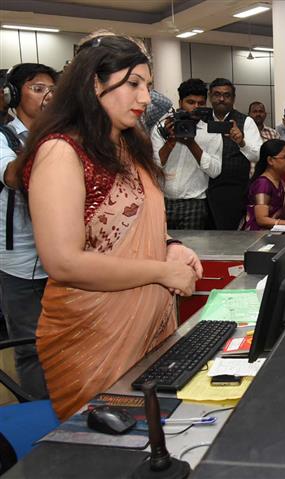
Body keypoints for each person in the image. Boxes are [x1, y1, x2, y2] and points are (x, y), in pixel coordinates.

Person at [17, 34, 201, 420]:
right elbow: (64, 262)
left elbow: (127, 222)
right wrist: (163, 271)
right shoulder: (61, 151)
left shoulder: (131, 144)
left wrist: (171, 246)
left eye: (148, 86)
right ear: (94, 83)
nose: (146, 98)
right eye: (133, 83)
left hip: (152, 328)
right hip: (93, 336)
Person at [0, 63, 57, 400]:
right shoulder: (4, 137)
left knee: (64, 341)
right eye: (37, 88)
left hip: (61, 257)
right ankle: (43, 421)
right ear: (12, 95)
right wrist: (43, 135)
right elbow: (13, 177)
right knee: (31, 347)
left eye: (52, 90)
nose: (47, 96)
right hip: (19, 261)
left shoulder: (60, 135)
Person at [151, 78, 222, 229]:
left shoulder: (211, 133)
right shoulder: (163, 128)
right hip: (163, 200)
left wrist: (191, 143)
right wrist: (171, 141)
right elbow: (154, 166)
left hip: (194, 203)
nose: (196, 108)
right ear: (180, 102)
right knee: (162, 248)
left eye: (201, 103)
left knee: (193, 249)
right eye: (190, 102)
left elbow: (215, 171)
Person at [206, 78, 262, 230]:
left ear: (233, 98)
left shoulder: (246, 122)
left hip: (232, 192)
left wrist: (242, 142)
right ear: (210, 96)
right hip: (202, 191)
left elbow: (258, 155)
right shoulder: (201, 120)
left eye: (227, 95)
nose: (222, 99)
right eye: (217, 94)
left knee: (227, 238)